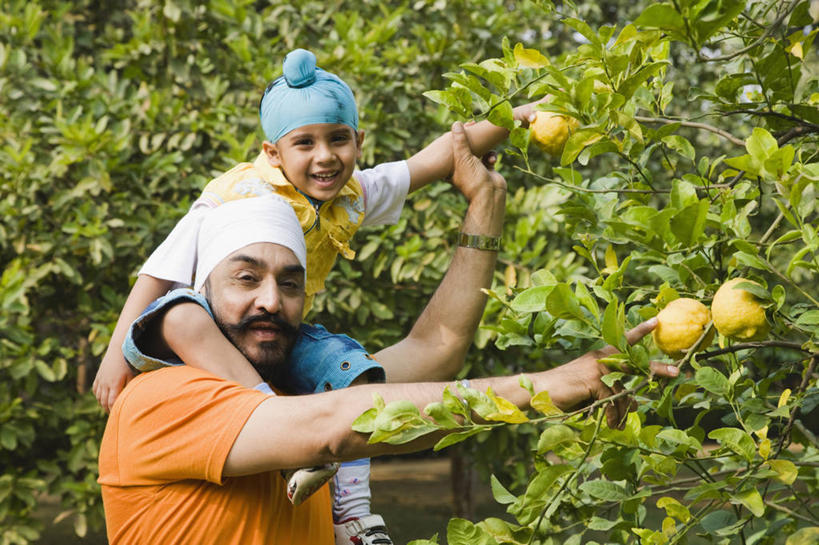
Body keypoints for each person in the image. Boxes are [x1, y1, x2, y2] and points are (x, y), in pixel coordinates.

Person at [98, 128, 679, 544]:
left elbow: (438, 346)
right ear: (201, 292)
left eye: (291, 283)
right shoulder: (158, 401)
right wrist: (558, 382)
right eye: (245, 278)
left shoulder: (298, 395)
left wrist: (485, 205)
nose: (271, 300)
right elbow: (335, 431)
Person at [93, 47, 541, 538]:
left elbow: (437, 157)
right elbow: (158, 271)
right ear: (272, 152)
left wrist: (523, 119)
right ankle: (264, 405)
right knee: (181, 316)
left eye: (338, 140)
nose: (324, 155)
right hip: (187, 331)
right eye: (304, 142)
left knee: (352, 378)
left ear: (358, 142)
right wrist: (115, 358)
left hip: (282, 347)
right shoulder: (235, 196)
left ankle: (351, 513)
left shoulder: (351, 195)